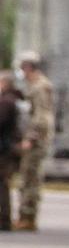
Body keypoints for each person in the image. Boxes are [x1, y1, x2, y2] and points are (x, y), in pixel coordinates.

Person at [12, 52, 53, 232]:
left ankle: (28, 217)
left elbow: (42, 117)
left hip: (36, 141)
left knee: (30, 178)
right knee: (27, 177)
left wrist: (30, 138)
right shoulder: (33, 86)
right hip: (34, 138)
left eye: (22, 67)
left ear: (29, 67)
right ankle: (25, 216)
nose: (21, 71)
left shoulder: (40, 87)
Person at [0, 73, 24, 230]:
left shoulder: (6, 102)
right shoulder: (13, 100)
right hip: (9, 147)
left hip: (4, 149)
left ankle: (4, 219)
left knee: (2, 184)